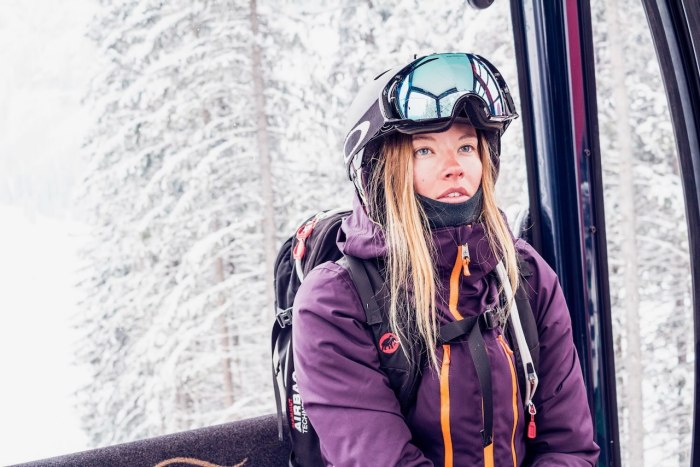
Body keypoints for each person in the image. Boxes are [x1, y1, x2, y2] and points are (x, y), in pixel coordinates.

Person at [292, 52, 600, 466]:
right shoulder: (335, 302)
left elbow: (569, 447)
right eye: (425, 151)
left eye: (466, 146)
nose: (455, 167)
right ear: (380, 173)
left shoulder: (524, 277)